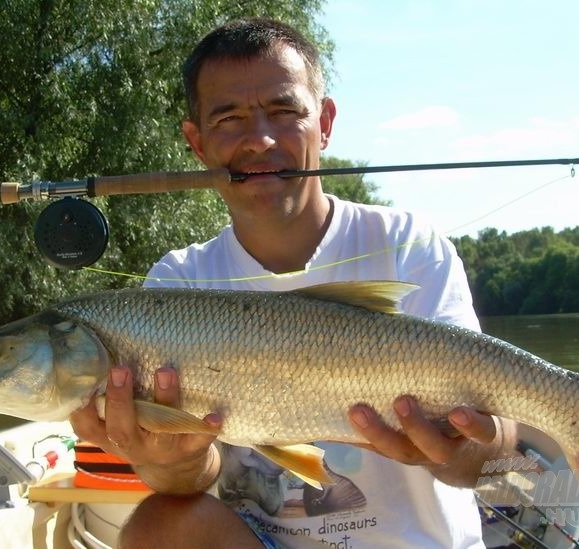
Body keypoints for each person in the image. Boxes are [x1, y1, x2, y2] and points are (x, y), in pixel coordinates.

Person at [70, 17, 518, 549]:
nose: (259, 140)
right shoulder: (177, 282)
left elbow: (496, 456)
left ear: (324, 121)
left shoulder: (407, 245)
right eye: (228, 118)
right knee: (156, 528)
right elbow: (186, 482)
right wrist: (174, 457)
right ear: (197, 143)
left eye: (284, 111)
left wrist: (456, 449)